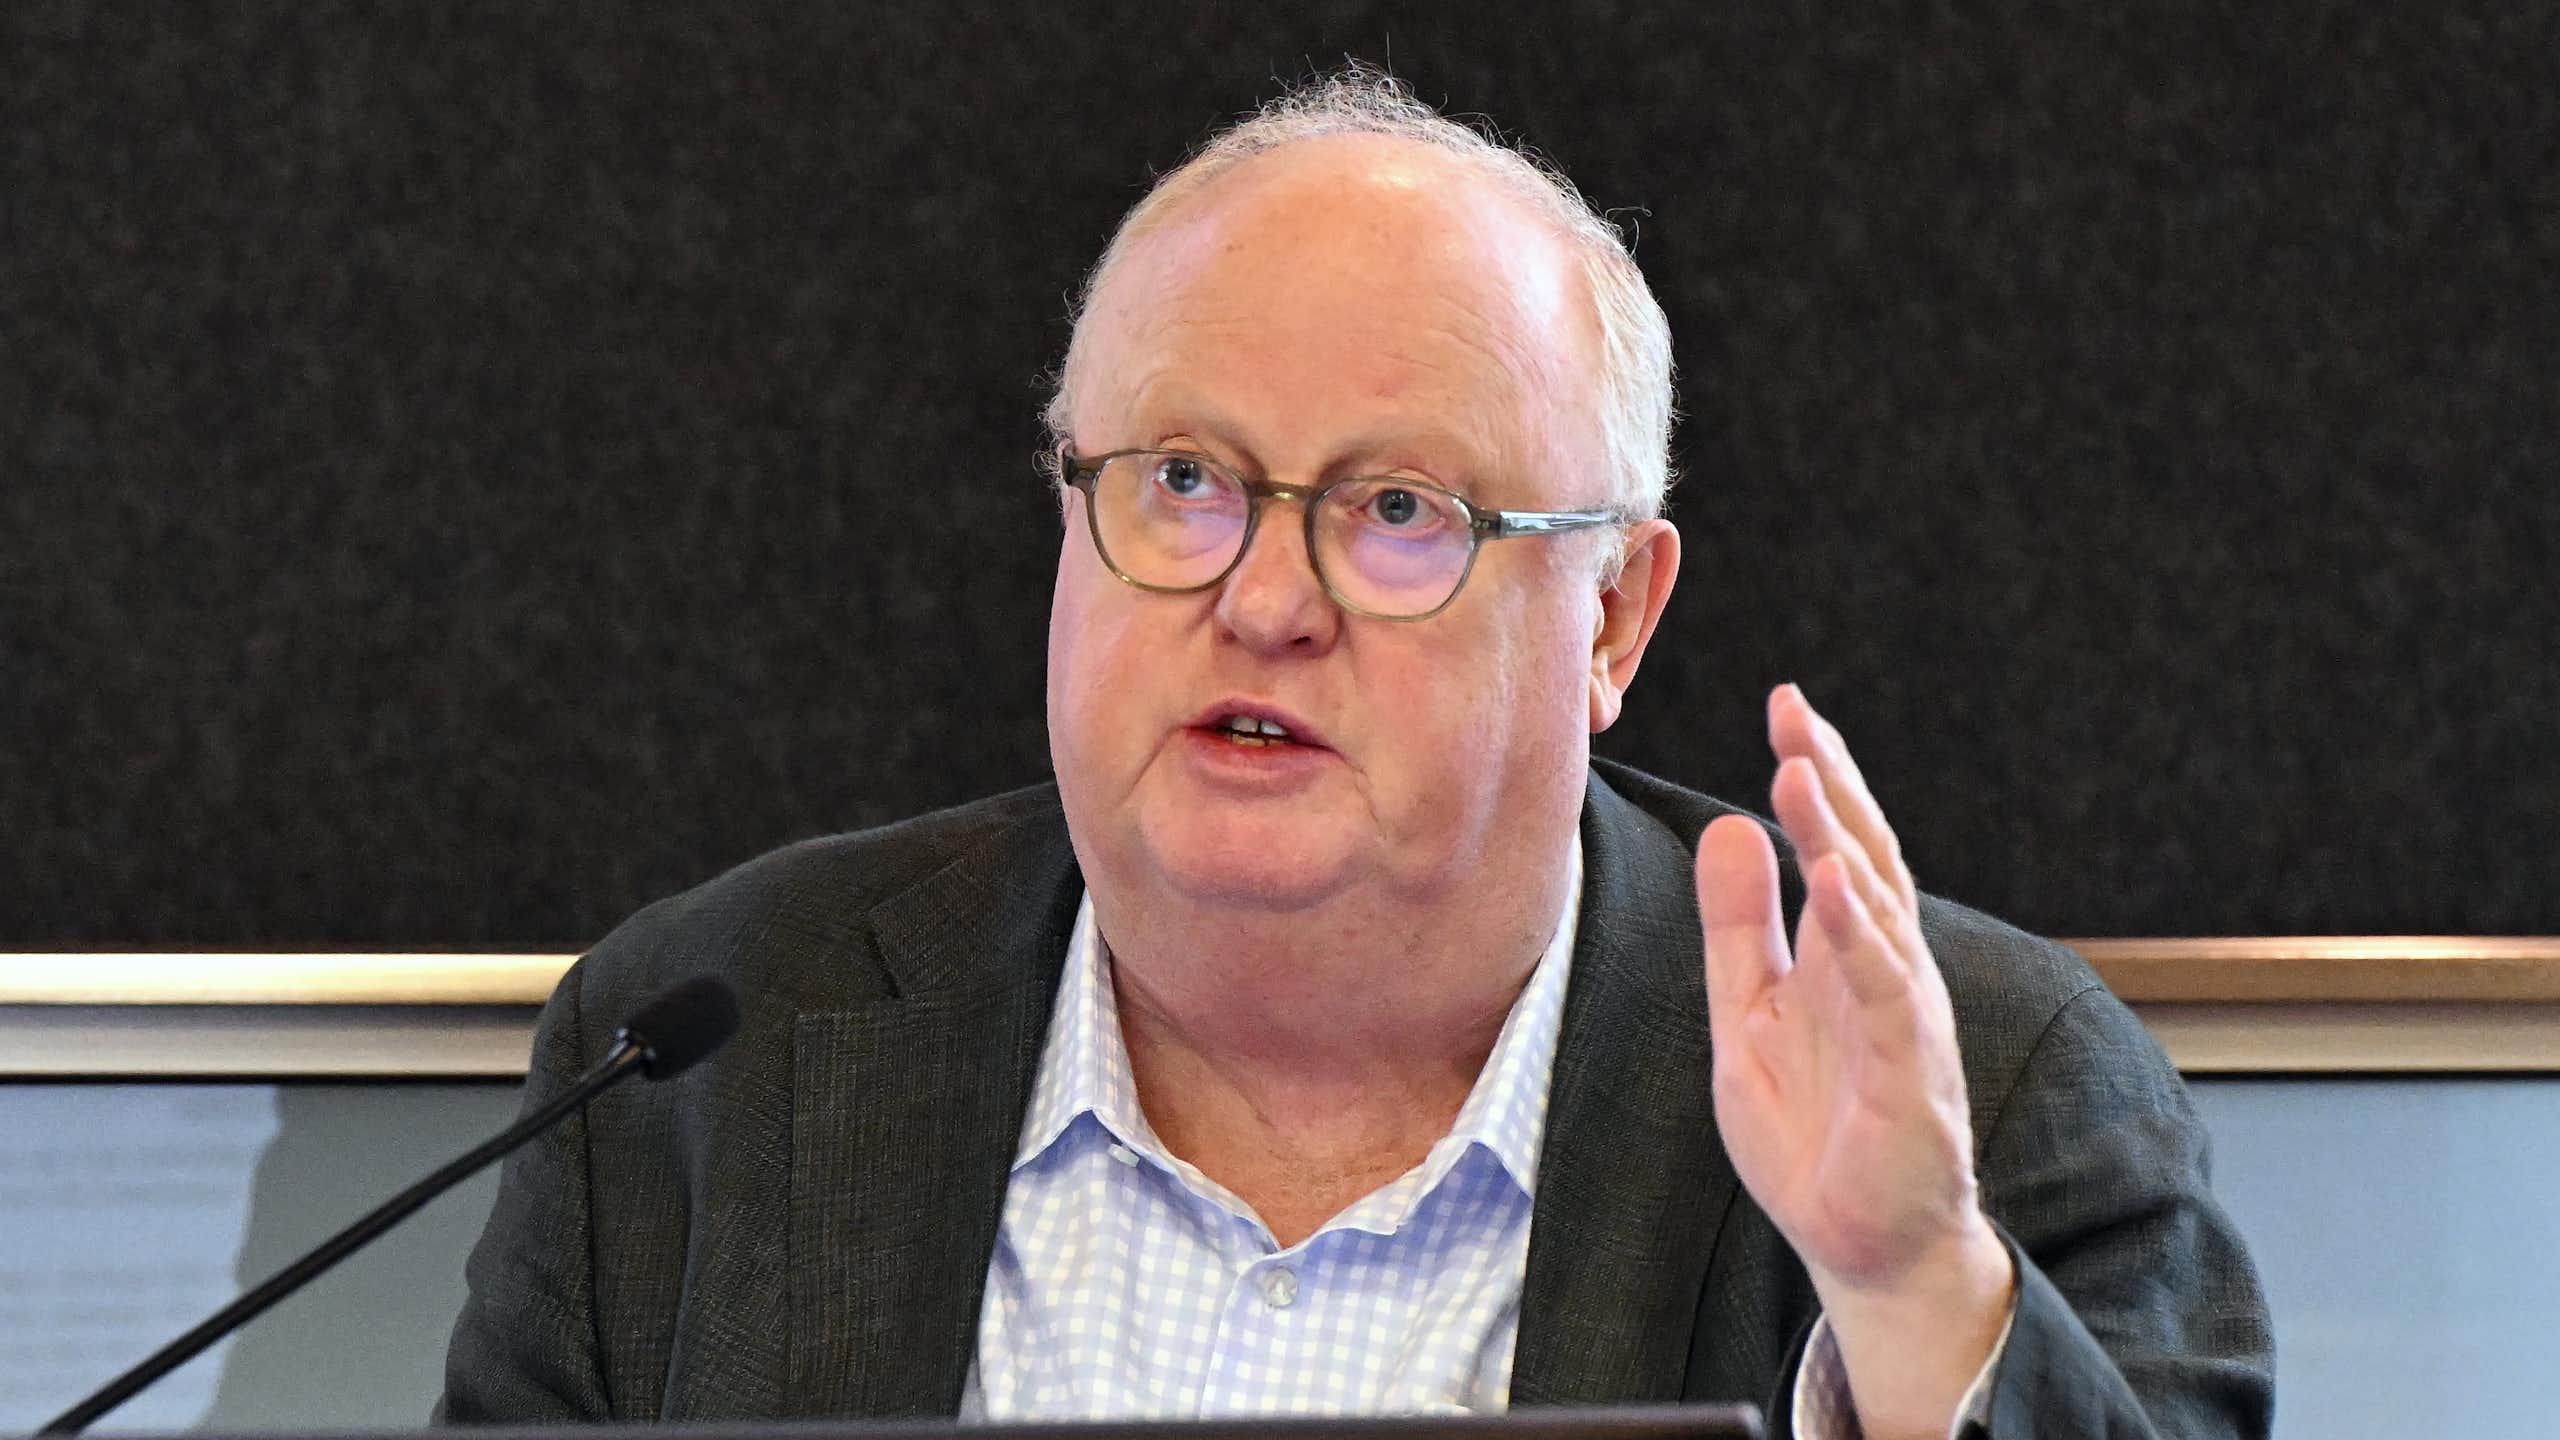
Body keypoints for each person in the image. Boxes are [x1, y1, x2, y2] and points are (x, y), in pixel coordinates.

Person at [441, 72, 2271, 1439]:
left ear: (1617, 618)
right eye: (1182, 483)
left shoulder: (1979, 1086)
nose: (1264, 602)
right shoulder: (695, 1055)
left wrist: (1912, 1295)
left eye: (1399, 511)